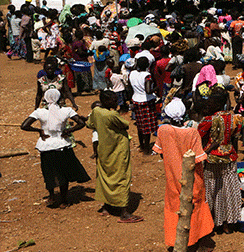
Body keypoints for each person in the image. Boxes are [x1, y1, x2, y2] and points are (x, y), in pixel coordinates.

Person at [152, 99, 214, 250]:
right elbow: (199, 158)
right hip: (193, 178)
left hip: (173, 177)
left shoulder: (163, 131)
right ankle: (197, 239)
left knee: (175, 206)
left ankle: (177, 240)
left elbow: (161, 152)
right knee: (196, 206)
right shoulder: (192, 132)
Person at [20, 89, 90, 209]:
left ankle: (51, 196)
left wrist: (39, 130)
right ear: (60, 98)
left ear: (45, 99)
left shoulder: (39, 112)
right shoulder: (67, 110)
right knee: (63, 172)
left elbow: (24, 125)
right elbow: (81, 123)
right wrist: (69, 130)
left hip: (46, 145)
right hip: (62, 144)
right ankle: (64, 200)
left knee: (49, 172)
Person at [87, 90, 142, 223]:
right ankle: (124, 213)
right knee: (122, 177)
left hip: (104, 150)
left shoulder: (96, 112)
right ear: (106, 101)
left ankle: (107, 206)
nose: (116, 102)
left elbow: (90, 124)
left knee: (105, 176)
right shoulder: (112, 115)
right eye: (113, 100)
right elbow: (125, 125)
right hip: (117, 150)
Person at [197, 89, 244, 234]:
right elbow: (235, 138)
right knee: (229, 190)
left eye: (210, 102)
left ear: (217, 104)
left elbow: (199, 137)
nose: (207, 104)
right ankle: (229, 222)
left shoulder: (209, 120)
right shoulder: (235, 118)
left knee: (213, 191)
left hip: (213, 159)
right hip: (229, 158)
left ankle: (214, 222)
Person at [129, 56, 157, 154]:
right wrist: (156, 88)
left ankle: (142, 145)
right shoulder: (147, 75)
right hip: (146, 101)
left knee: (140, 125)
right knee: (147, 127)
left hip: (136, 100)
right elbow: (148, 90)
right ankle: (146, 148)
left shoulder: (132, 74)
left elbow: (130, 87)